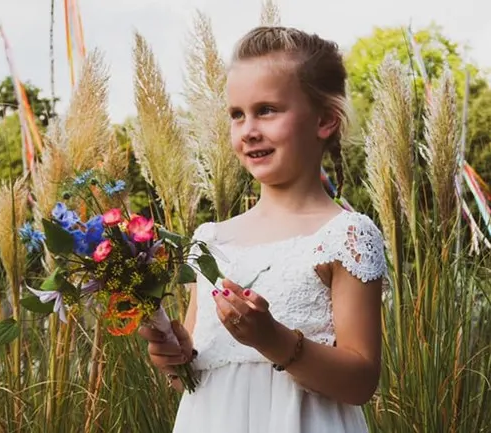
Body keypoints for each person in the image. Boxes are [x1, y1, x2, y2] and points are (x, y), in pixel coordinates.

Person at [138, 25, 386, 433]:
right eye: (237, 114)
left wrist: (273, 339)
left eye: (267, 110)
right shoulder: (211, 240)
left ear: (325, 119)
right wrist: (175, 355)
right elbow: (198, 372)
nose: (248, 130)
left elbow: (361, 380)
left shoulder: (347, 235)